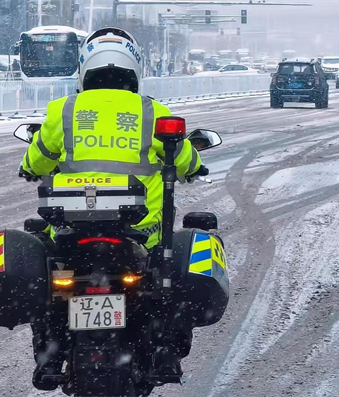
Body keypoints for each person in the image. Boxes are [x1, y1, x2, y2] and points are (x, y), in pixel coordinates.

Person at [19, 27, 204, 390]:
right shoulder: (152, 111)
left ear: (84, 69)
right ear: (134, 70)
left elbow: (36, 160)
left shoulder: (65, 110)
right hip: (141, 236)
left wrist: (29, 167)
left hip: (72, 234)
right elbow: (184, 161)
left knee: (51, 289)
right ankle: (165, 346)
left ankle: (50, 351)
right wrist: (195, 166)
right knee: (165, 289)